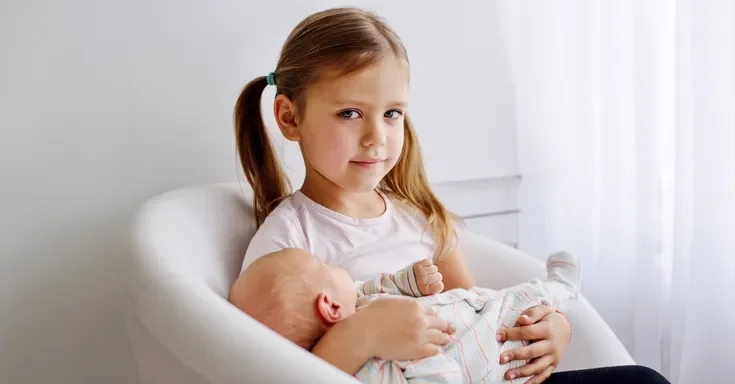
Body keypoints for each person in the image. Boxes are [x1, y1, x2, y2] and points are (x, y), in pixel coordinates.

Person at [227, 6, 670, 384]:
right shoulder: (286, 245)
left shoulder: (420, 219)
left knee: (642, 380)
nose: (375, 137)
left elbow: (478, 312)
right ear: (289, 117)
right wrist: (360, 334)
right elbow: (278, 372)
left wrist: (550, 330)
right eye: (349, 113)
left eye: (392, 113)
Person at [232, 248, 581, 383]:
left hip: (476, 310)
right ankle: (563, 285)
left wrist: (410, 280)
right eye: (325, 266)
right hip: (496, 353)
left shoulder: (357, 300)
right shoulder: (375, 368)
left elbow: (379, 286)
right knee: (522, 300)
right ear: (330, 307)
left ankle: (558, 293)